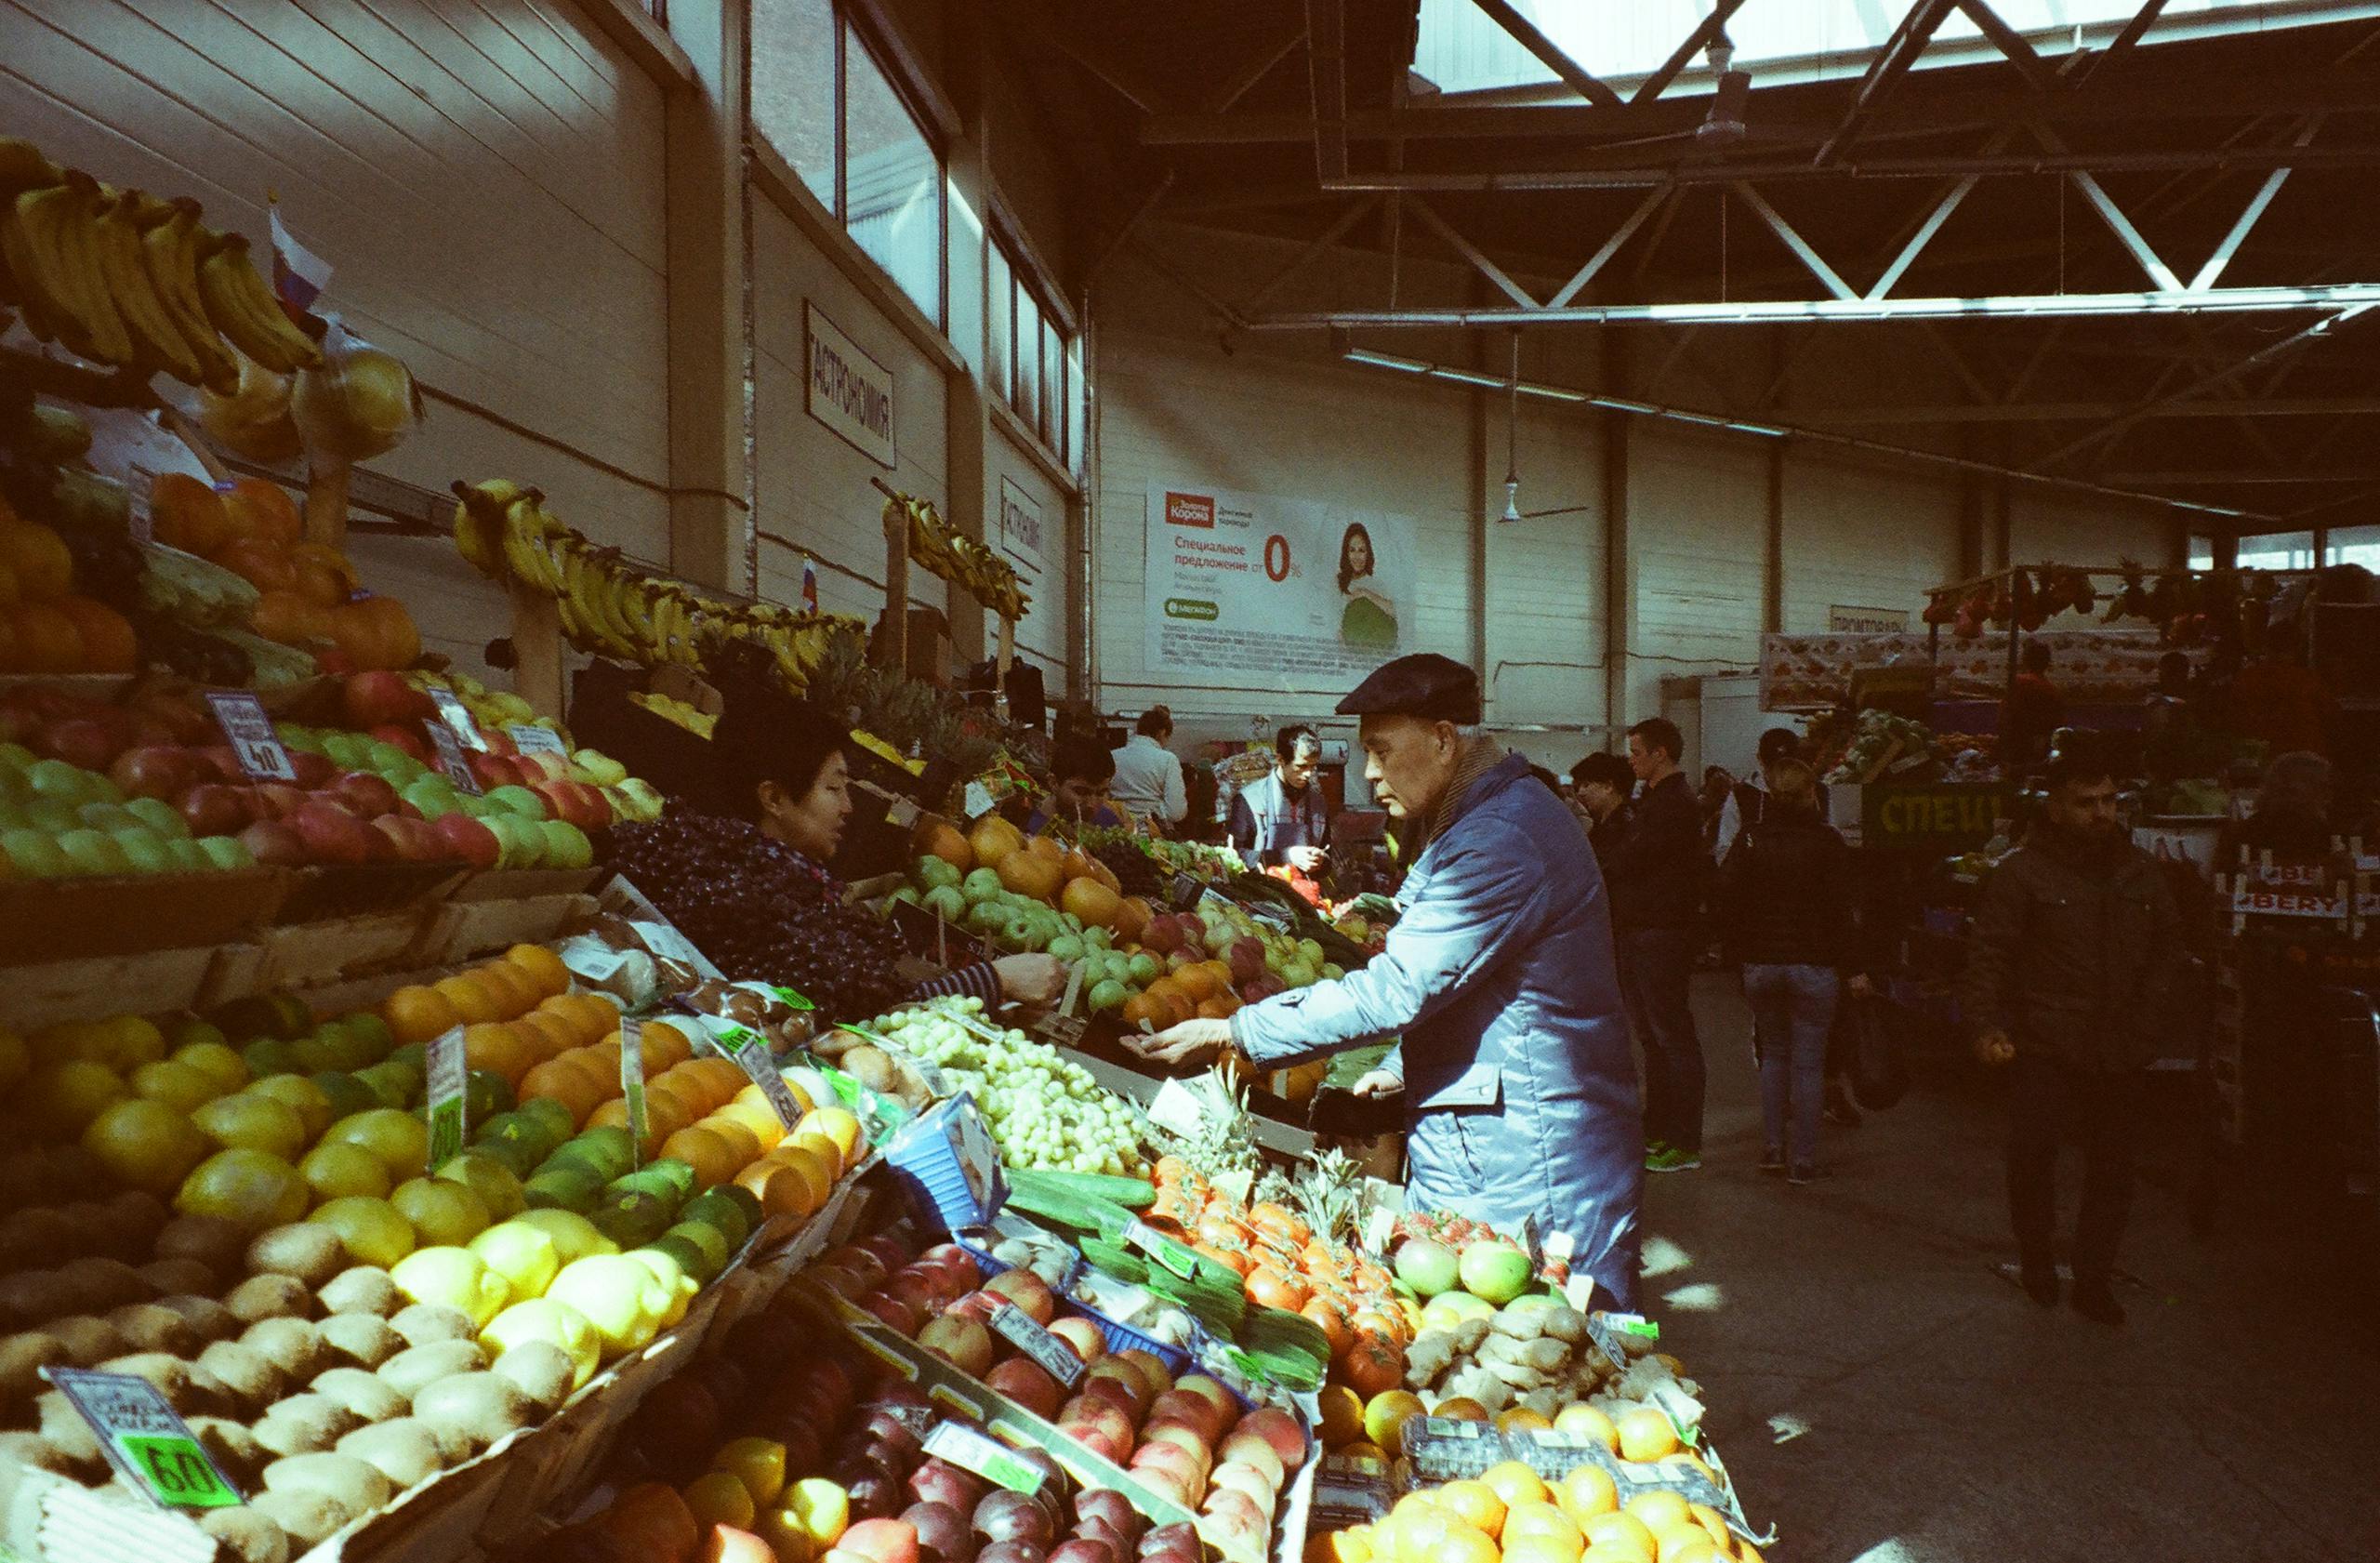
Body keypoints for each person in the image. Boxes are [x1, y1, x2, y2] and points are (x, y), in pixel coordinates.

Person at [1123, 654, 1644, 1307]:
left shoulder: (1501, 838)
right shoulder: (1487, 819)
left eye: (1380, 750)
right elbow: (1486, 983)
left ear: (1445, 737)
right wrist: (1403, 1062)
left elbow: (1400, 987)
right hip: (1505, 1139)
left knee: (1547, 1356)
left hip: (1532, 1162)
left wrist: (1238, 1030)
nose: (1369, 775)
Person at [614, 671, 1061, 1012]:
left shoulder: (776, 872)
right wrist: (997, 979)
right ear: (773, 797)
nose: (849, 806)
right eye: (834, 788)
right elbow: (861, 1004)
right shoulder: (742, 889)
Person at [1963, 745, 2184, 1326]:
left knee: (2113, 1169)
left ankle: (2093, 1277)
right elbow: (1990, 954)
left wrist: (2150, 1017)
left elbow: (2168, 949)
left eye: (2109, 800)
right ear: (2055, 808)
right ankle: (2037, 1260)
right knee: (2033, 1157)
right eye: (2086, 803)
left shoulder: (2142, 873)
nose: (2101, 813)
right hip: (2045, 1045)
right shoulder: (2022, 874)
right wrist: (1986, 1024)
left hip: (2121, 1047)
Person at [1716, 758, 1867, 1184]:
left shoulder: (1749, 839)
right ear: (1811, 794)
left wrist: (1740, 951)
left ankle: (1771, 1148)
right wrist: (1855, 967)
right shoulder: (1828, 842)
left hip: (1761, 965)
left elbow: (1725, 896)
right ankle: (1802, 1159)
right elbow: (1845, 912)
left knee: (1773, 1057)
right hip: (1815, 967)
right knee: (1808, 1063)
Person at [1605, 716, 1708, 1173]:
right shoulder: (1655, 802)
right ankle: (1660, 1127)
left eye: (1636, 752)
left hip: (1662, 932)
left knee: (1671, 1036)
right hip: (1643, 929)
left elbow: (1634, 859)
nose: (1632, 760)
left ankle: (1684, 1141)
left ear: (1660, 753)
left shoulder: (1675, 805)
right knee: (1653, 1035)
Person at [1228, 725, 1329, 871]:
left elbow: (1328, 860)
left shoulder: (1318, 804)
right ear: (1280, 759)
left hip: (1304, 888)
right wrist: (1285, 857)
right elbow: (1234, 856)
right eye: (1301, 766)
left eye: (1312, 767)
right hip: (1261, 889)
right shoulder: (1250, 799)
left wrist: (1321, 861)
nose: (1308, 774)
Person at [1712, 727, 1814, 865]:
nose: (1779, 776)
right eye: (1774, 767)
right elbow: (1725, 851)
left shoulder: (1817, 791)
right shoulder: (1742, 795)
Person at [2227, 639, 2331, 758]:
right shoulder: (2308, 679)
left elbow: (2233, 717)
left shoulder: (2247, 678)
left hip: (2260, 753)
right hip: (2305, 752)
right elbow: (2329, 713)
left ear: (2266, 648)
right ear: (2296, 650)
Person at [1028, 735, 1132, 834]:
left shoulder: (1108, 821)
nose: (1091, 804)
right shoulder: (1030, 831)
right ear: (1053, 783)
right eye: (1081, 792)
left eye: (1100, 793)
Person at [1110, 706, 1188, 830]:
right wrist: (1158, 811)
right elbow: (1176, 811)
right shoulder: (1168, 759)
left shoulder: (1113, 756)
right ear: (1162, 732)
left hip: (1116, 828)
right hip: (1155, 831)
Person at [1999, 641, 2066, 769]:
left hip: (2018, 744)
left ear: (2025, 660)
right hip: (2042, 745)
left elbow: (2007, 715)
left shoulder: (2019, 682)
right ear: (2047, 663)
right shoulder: (2053, 689)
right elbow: (2058, 721)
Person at [1569, 751, 1636, 877]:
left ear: (1608, 786)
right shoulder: (1605, 823)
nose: (1581, 793)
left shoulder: (1621, 828)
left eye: (1586, 784)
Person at [1336, 523, 1398, 648]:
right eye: (1352, 550)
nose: (1357, 556)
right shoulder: (1336, 582)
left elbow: (1393, 612)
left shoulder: (1377, 584)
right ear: (1346, 553)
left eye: (1362, 550)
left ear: (1368, 553)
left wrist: (1365, 593)